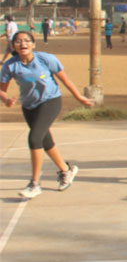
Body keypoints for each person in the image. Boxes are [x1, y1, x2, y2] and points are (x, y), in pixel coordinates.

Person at [1, 31, 93, 198]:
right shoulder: (10, 65)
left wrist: (80, 97)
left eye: (27, 41)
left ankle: (34, 183)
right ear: (13, 46)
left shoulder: (45, 59)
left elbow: (65, 80)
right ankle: (66, 170)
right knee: (45, 141)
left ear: (33, 44)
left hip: (50, 101)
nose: (23, 44)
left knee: (34, 138)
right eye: (18, 41)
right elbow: (1, 90)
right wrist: (6, 99)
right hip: (29, 107)